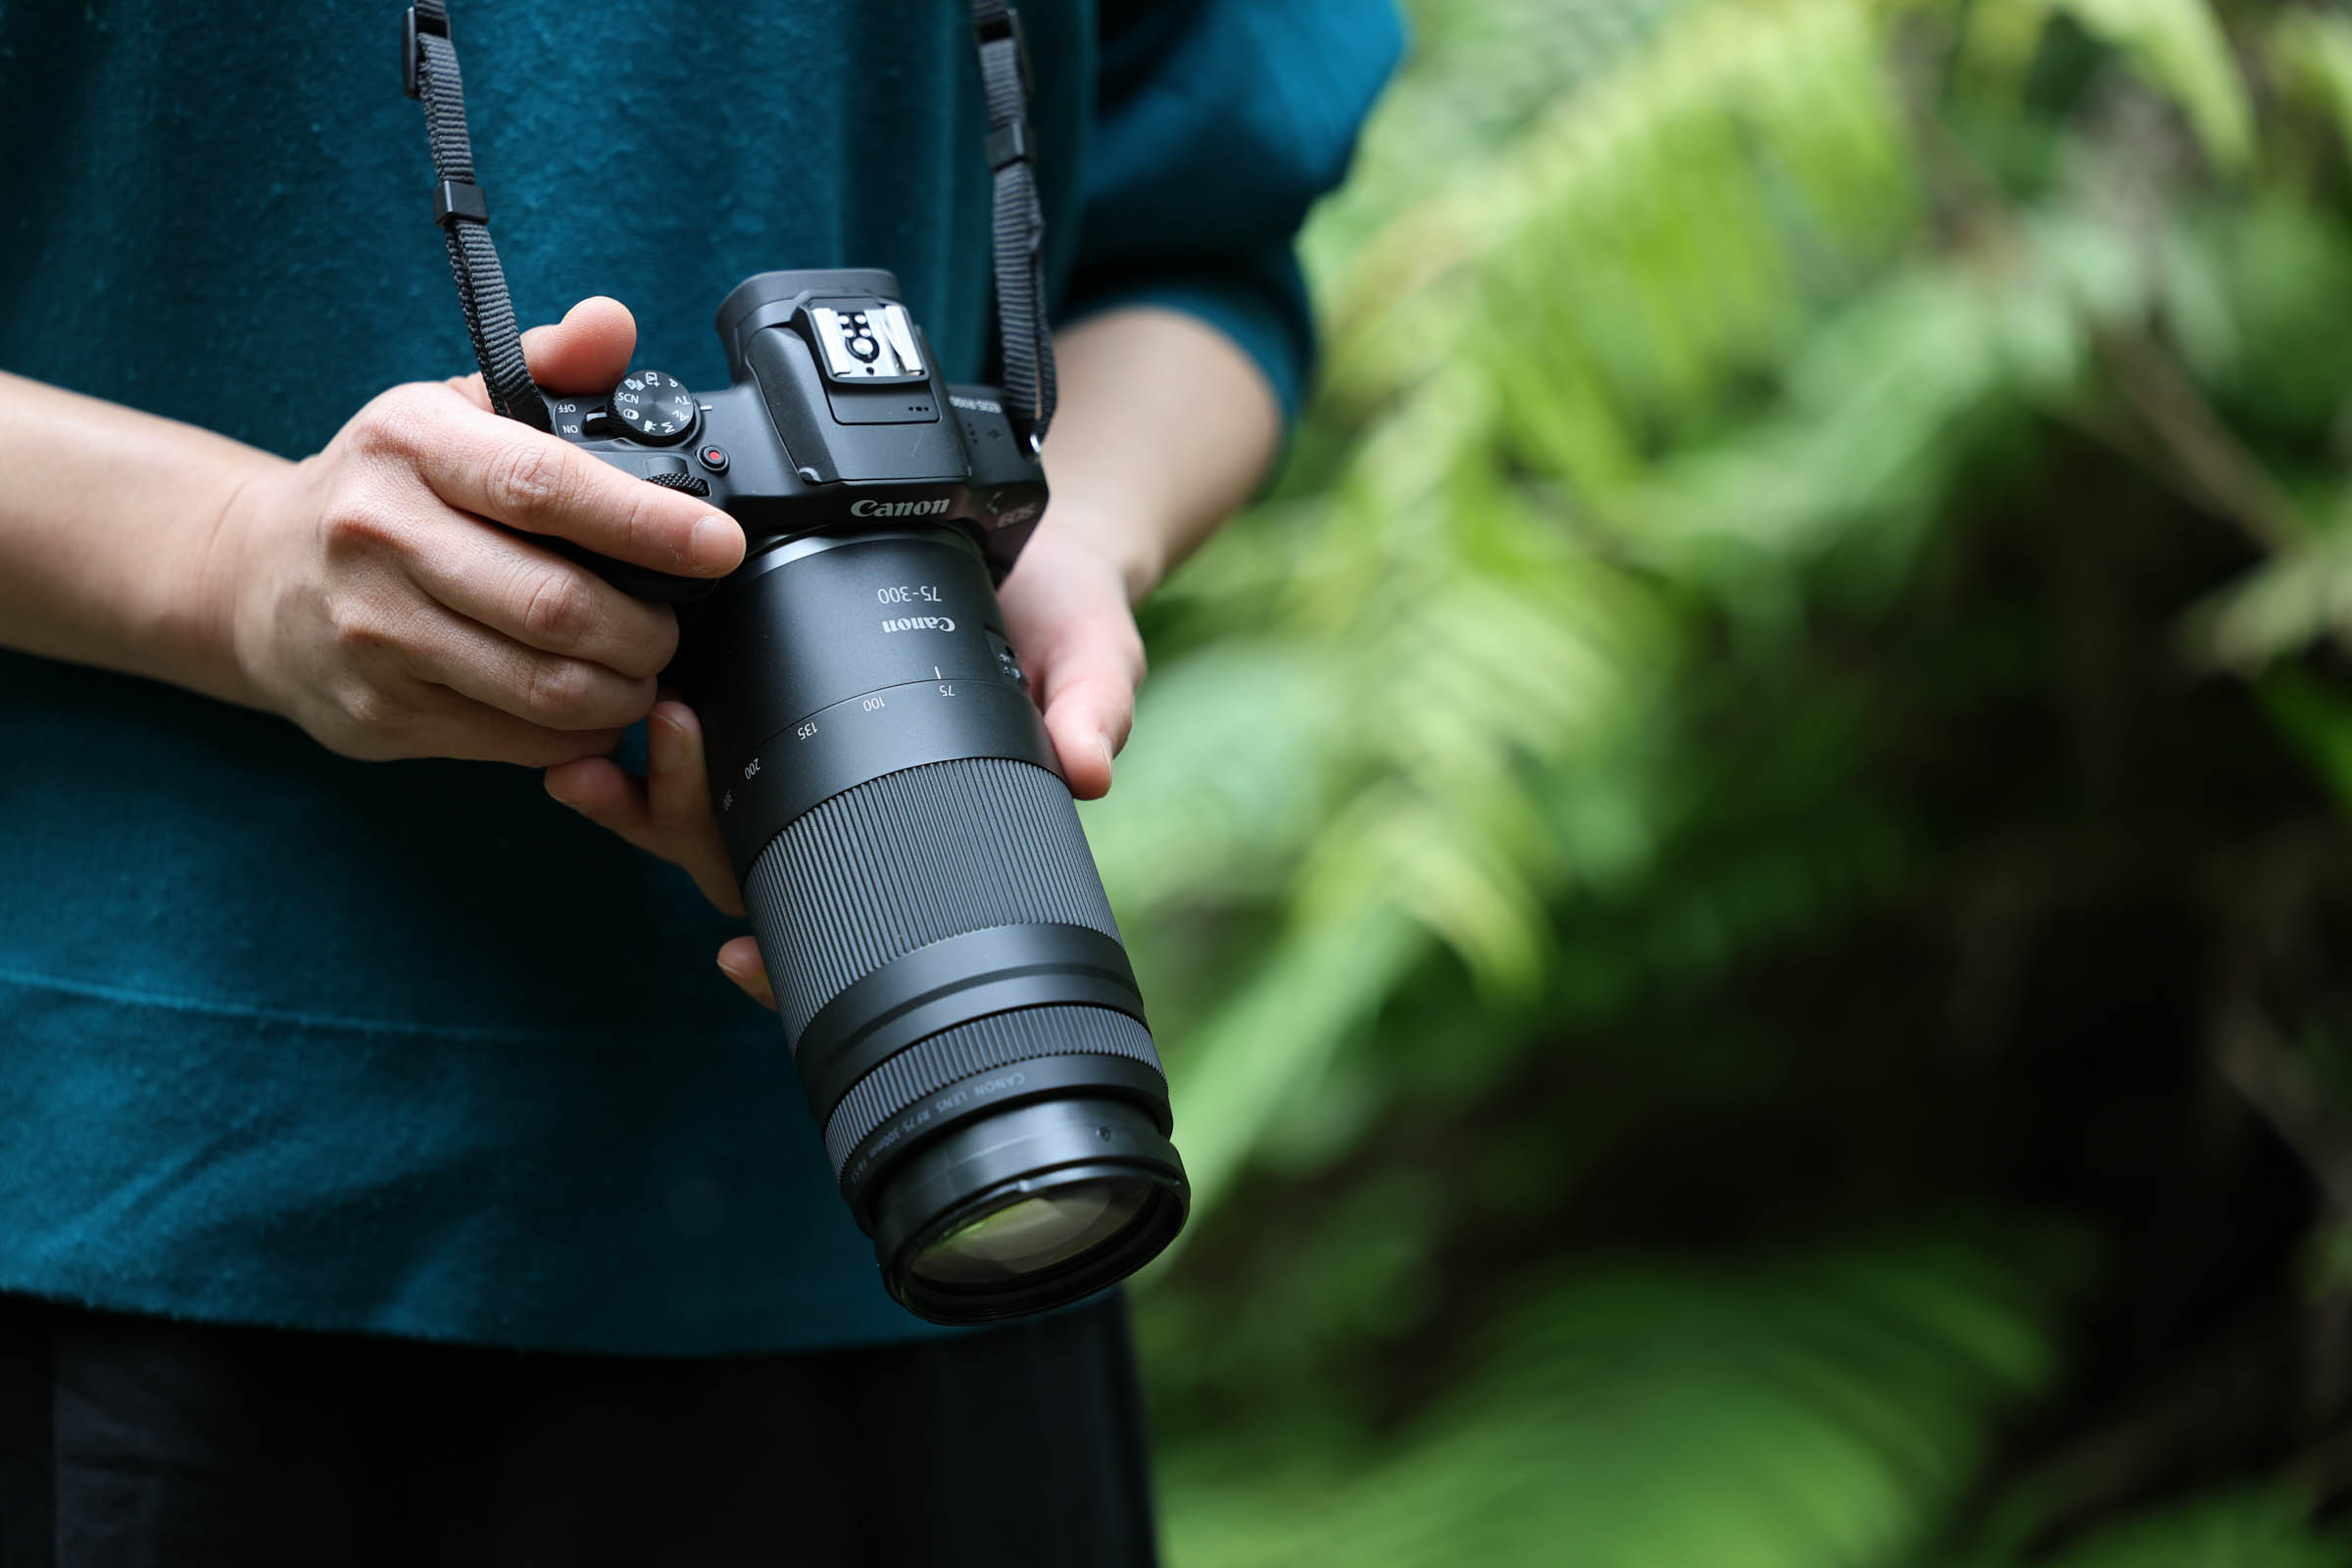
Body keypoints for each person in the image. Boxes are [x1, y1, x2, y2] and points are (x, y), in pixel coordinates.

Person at [0, 2, 1398, 1563]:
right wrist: (221, 561)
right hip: (155, 1212)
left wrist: (1065, 534)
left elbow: (1204, 245)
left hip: (942, 1152)